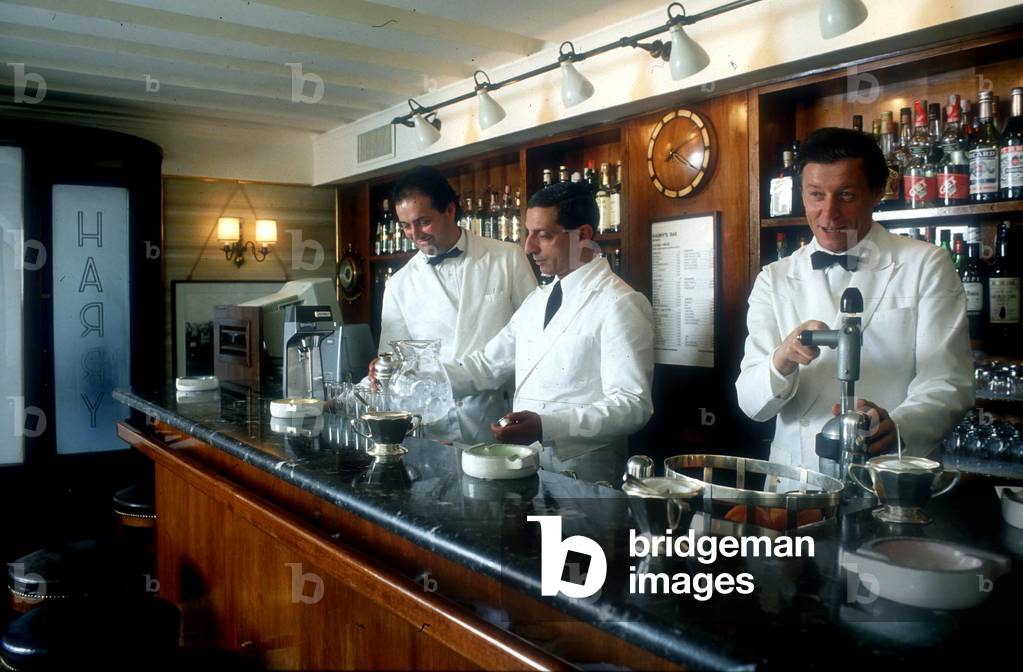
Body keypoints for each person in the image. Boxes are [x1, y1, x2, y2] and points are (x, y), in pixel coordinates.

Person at [735, 127, 974, 472]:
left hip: (890, 474)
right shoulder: (774, 278)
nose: (829, 213)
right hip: (797, 480)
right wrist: (782, 360)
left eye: (846, 195)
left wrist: (899, 427)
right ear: (802, 194)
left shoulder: (925, 264)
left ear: (877, 192)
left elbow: (948, 382)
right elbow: (751, 403)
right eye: (816, 195)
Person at [444, 182, 654, 482]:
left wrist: (546, 427)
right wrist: (414, 376)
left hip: (584, 476)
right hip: (526, 465)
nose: (529, 247)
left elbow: (633, 405)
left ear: (583, 235)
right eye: (528, 233)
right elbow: (486, 365)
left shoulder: (619, 302)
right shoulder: (537, 300)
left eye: (543, 235)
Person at [374, 166, 536, 443]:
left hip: (500, 415)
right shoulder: (399, 284)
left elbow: (533, 338)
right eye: (406, 226)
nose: (415, 234)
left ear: (449, 210)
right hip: (437, 426)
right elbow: (393, 363)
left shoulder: (507, 258)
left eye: (423, 221)